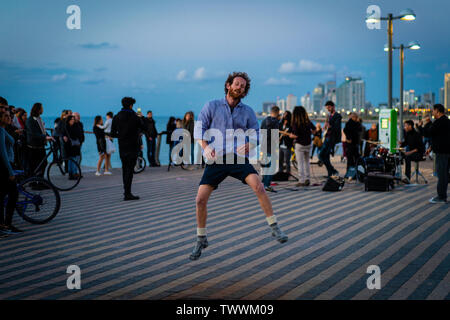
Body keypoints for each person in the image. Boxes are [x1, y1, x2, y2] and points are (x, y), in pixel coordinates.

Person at [190, 72, 288, 261]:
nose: (239, 88)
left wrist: (251, 144)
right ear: (228, 85)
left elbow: (257, 134)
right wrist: (206, 146)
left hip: (237, 158)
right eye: (237, 84)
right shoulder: (211, 106)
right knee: (200, 200)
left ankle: (274, 228)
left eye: (243, 87)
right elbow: (198, 130)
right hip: (216, 158)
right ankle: (201, 238)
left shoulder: (248, 111)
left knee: (259, 186)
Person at [110, 97, 147, 201]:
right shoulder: (135, 116)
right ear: (131, 105)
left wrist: (122, 136)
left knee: (124, 169)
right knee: (130, 170)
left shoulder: (117, 116)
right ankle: (128, 193)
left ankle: (126, 192)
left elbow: (113, 134)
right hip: (133, 146)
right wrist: (141, 117)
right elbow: (144, 127)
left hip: (122, 146)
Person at [0, 110, 21, 234]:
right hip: (4, 167)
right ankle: (5, 224)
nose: (9, 118)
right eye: (6, 116)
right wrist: (10, 171)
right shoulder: (1, 130)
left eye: (10, 116)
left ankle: (6, 224)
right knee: (12, 195)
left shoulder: (4, 130)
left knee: (8, 195)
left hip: (7, 165)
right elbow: (2, 153)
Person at [426, 104, 450, 204]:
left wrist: (426, 123)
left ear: (437, 111)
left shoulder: (438, 122)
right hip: (447, 151)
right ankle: (442, 195)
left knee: (442, 174)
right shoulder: (448, 121)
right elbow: (438, 137)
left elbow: (429, 133)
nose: (432, 113)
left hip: (441, 152)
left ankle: (441, 196)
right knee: (445, 173)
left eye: (433, 111)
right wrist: (431, 147)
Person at [289, 106, 316, 187]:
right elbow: (314, 130)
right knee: (306, 162)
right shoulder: (308, 121)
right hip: (308, 143)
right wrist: (309, 133)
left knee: (300, 163)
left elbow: (296, 135)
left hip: (300, 144)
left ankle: (302, 180)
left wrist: (291, 136)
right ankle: (308, 178)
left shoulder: (295, 123)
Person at [26, 103, 53, 177]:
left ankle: (40, 181)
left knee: (43, 163)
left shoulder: (39, 119)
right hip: (33, 147)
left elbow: (42, 130)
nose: (43, 110)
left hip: (40, 146)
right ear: (38, 109)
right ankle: (34, 182)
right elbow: (33, 133)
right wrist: (45, 137)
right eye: (41, 108)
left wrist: (48, 136)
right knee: (35, 165)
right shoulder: (31, 120)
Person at [319, 101, 341, 177]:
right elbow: (327, 126)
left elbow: (337, 128)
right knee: (325, 156)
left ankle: (332, 171)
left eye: (329, 107)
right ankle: (331, 172)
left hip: (332, 138)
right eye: (326, 108)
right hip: (326, 137)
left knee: (322, 155)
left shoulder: (337, 116)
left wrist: (330, 126)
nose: (328, 109)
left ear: (333, 106)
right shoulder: (328, 116)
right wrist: (324, 127)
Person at [260, 106, 280, 192]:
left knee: (266, 165)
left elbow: (261, 132)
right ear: (278, 112)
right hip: (271, 146)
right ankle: (267, 185)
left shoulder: (264, 120)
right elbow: (275, 135)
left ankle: (263, 183)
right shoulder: (276, 122)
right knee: (272, 166)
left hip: (263, 145)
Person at [343, 112, 362, 180]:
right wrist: (348, 138)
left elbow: (359, 129)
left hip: (353, 143)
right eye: (355, 117)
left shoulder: (354, 123)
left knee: (353, 159)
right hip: (352, 143)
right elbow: (346, 130)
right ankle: (351, 174)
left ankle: (352, 174)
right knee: (352, 159)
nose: (356, 118)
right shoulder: (351, 123)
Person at [65, 115, 82, 180]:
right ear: (68, 120)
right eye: (71, 119)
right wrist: (64, 136)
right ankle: (71, 174)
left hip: (75, 145)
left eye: (73, 119)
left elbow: (79, 134)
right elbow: (62, 133)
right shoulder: (66, 126)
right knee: (71, 159)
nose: (72, 120)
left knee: (75, 159)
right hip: (69, 145)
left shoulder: (76, 126)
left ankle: (74, 173)